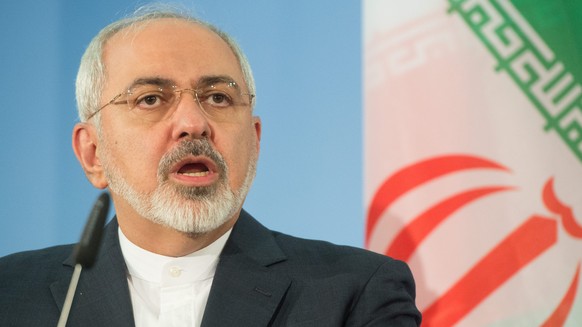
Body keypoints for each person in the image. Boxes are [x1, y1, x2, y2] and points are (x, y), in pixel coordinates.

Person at [0, 6, 421, 327]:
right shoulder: (12, 293)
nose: (193, 123)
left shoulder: (356, 293)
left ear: (254, 141)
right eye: (150, 98)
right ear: (93, 153)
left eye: (219, 97)